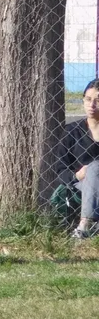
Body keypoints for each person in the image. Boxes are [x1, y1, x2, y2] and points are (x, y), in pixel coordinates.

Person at [58, 80, 99, 239]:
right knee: (93, 169)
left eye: (98, 100)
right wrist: (77, 175)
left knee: (95, 166)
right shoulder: (71, 131)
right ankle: (86, 223)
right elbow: (61, 170)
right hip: (82, 185)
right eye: (88, 99)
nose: (92, 105)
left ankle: (85, 227)